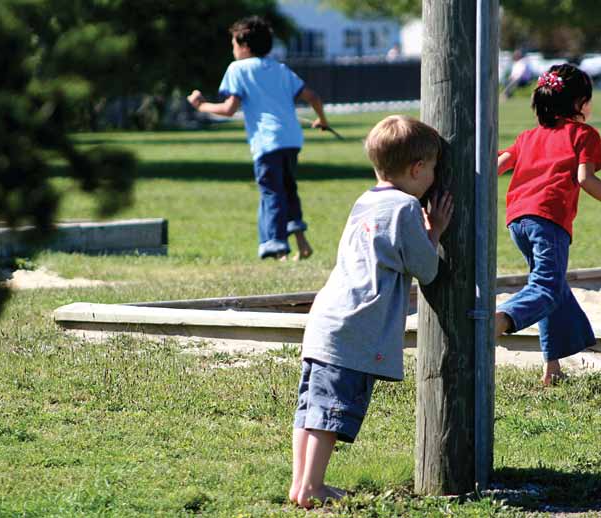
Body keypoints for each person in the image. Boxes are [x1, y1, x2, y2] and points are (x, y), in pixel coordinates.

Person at [289, 115, 454, 508]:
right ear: (417, 169)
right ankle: (312, 488)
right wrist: (435, 233)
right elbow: (426, 269)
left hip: (327, 318)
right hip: (355, 325)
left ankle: (301, 484)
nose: (434, 177)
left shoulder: (366, 200)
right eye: (432, 169)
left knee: (311, 407)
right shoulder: (405, 209)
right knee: (330, 410)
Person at [496, 64, 601, 386]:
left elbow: (496, 166)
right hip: (549, 220)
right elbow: (585, 178)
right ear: (579, 103)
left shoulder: (527, 137)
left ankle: (551, 368)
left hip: (517, 221)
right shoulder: (584, 135)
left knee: (552, 289)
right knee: (546, 287)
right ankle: (496, 322)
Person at [187, 16, 329, 260]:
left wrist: (201, 106)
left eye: (233, 44)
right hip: (291, 140)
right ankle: (302, 243)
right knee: (288, 189)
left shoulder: (238, 69)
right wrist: (322, 120)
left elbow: (229, 109)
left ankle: (277, 247)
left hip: (266, 142)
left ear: (244, 46)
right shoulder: (280, 68)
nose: (232, 49)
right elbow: (313, 96)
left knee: (271, 193)